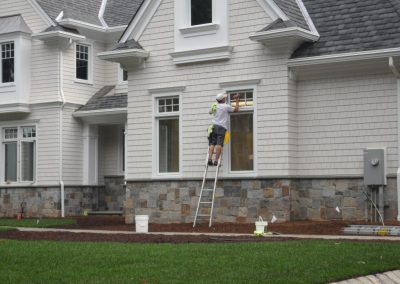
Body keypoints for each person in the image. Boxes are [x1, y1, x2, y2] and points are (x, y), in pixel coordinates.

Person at [208, 92, 240, 166]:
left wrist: (214, 109)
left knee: (212, 143)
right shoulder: (226, 106)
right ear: (222, 99)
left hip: (214, 126)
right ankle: (216, 161)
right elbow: (236, 109)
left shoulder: (215, 106)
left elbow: (210, 112)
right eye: (224, 98)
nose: (225, 98)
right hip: (221, 128)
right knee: (219, 144)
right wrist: (237, 100)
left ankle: (210, 159)